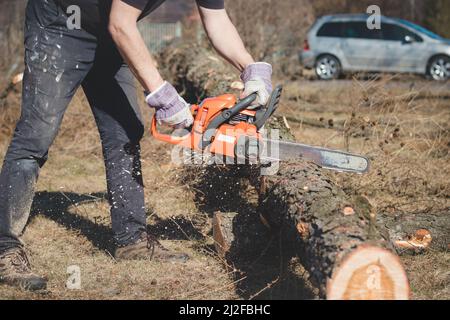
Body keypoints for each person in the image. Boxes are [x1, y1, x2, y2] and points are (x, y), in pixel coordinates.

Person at [0, 0, 272, 291]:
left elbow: (215, 17)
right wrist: (163, 95)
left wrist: (250, 68)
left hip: (108, 33)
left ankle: (132, 240)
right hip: (59, 25)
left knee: (126, 131)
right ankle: (4, 248)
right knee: (36, 135)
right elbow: (121, 23)